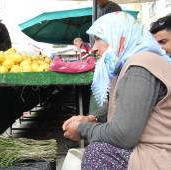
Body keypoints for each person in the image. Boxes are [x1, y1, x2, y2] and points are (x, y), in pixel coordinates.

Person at [62, 12, 171, 170]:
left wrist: (82, 129)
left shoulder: (141, 67)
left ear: (119, 36)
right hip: (153, 149)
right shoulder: (131, 64)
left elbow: (123, 135)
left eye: (99, 38)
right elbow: (123, 102)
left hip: (160, 155)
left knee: (98, 153)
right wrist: (92, 118)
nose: (93, 47)